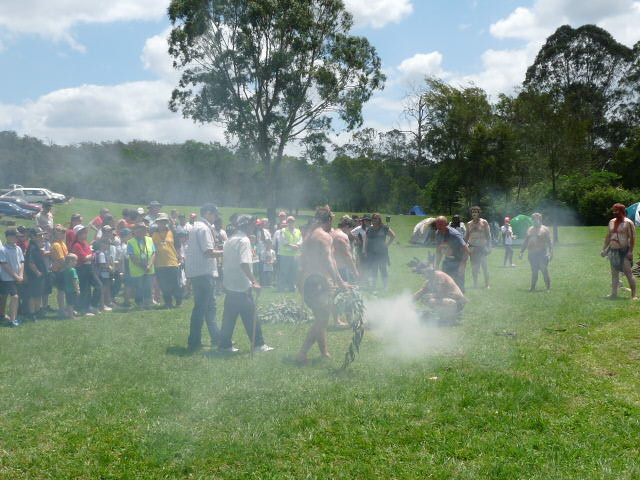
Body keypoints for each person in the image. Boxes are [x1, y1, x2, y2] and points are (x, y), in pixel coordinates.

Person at [295, 205, 348, 364]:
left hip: (308, 280)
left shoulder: (309, 236)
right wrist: (339, 282)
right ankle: (301, 354)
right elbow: (329, 261)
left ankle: (324, 352)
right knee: (322, 320)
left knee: (321, 317)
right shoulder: (324, 236)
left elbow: (301, 262)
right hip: (319, 281)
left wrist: (299, 283)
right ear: (329, 219)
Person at [218, 215, 274, 353]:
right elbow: (244, 263)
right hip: (242, 285)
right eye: (252, 225)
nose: (254, 227)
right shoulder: (244, 241)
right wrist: (254, 281)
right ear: (246, 226)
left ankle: (224, 345)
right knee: (251, 316)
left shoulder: (229, 240)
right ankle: (258, 345)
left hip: (230, 284)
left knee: (229, 318)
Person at [184, 203, 223, 350]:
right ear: (207, 212)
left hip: (200, 272)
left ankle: (216, 338)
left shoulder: (198, 226)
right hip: (203, 273)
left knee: (209, 308)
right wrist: (226, 251)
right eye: (215, 214)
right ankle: (193, 341)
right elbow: (208, 252)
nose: (216, 218)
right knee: (201, 308)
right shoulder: (203, 228)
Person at [412, 258, 467, 324]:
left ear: (429, 271)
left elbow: (442, 293)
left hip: (457, 302)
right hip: (450, 300)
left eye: (423, 273)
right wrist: (409, 301)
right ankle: (445, 317)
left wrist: (431, 295)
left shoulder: (439, 276)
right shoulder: (430, 280)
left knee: (431, 300)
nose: (423, 275)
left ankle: (450, 317)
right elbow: (420, 292)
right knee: (426, 299)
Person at [601, 203, 637, 300]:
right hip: (613, 251)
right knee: (614, 273)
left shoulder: (628, 223)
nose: (614, 213)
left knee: (628, 273)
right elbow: (608, 236)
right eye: (613, 211)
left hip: (624, 251)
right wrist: (604, 249)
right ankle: (614, 293)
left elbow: (632, 238)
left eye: (616, 211)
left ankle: (633, 295)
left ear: (622, 211)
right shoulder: (611, 222)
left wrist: (630, 251)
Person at [152, 213, 182, 308]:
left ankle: (178, 302)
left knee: (175, 284)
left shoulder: (173, 232)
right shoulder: (153, 234)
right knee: (164, 285)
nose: (163, 224)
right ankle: (168, 303)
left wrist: (179, 257)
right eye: (161, 222)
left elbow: (178, 246)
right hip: (159, 264)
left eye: (164, 222)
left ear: (166, 222)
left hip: (172, 262)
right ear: (157, 223)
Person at [71, 225, 102, 316]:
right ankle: (84, 309)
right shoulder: (76, 245)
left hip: (89, 268)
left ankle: (92, 306)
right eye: (82, 233)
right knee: (85, 290)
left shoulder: (85, 243)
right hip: (81, 269)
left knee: (98, 285)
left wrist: (89, 256)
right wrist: (89, 256)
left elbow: (90, 256)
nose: (84, 234)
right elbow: (85, 257)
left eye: (85, 232)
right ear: (77, 235)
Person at [519, 212, 553, 292]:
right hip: (532, 254)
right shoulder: (530, 229)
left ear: (540, 220)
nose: (534, 221)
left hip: (542, 253)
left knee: (544, 270)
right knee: (534, 271)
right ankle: (532, 288)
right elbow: (526, 241)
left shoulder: (545, 229)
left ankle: (548, 288)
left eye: (536, 219)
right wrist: (521, 252)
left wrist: (551, 252)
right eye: (533, 219)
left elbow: (549, 241)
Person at [435, 216, 469, 292]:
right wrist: (436, 264)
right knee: (444, 283)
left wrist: (462, 266)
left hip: (458, 261)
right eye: (437, 224)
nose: (438, 226)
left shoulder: (454, 235)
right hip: (447, 260)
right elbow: (438, 250)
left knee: (459, 287)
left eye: (440, 224)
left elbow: (466, 250)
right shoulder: (438, 233)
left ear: (446, 224)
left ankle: (460, 301)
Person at [127, 223, 155, 309]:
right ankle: (139, 303)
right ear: (135, 232)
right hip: (137, 269)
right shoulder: (130, 242)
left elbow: (154, 253)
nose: (142, 232)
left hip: (149, 268)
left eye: (144, 230)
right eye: (139, 230)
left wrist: (149, 265)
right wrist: (142, 266)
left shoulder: (150, 239)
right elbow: (132, 256)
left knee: (148, 286)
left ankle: (148, 302)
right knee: (139, 287)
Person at [0, 229, 24, 327]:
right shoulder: (3, 249)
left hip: (17, 277)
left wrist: (21, 275)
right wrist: (15, 276)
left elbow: (22, 261)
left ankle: (2, 315)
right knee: (15, 297)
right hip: (7, 278)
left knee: (4, 296)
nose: (17, 238)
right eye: (15, 236)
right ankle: (12, 320)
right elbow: (5, 265)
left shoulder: (18, 248)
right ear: (8, 237)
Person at [365, 213, 395, 290]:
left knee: (383, 269)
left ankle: (385, 286)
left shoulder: (384, 228)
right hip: (372, 253)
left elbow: (393, 236)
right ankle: (373, 286)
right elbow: (366, 240)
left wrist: (387, 245)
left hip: (382, 253)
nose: (374, 220)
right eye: (373, 218)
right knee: (373, 270)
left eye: (376, 218)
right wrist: (366, 250)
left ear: (379, 219)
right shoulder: (370, 229)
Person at [465, 206, 492, 289]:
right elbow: (466, 236)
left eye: (476, 212)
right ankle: (475, 284)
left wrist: (489, 246)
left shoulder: (484, 222)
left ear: (479, 213)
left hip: (482, 247)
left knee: (484, 266)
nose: (474, 213)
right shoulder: (469, 224)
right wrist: (464, 247)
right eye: (473, 212)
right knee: (474, 268)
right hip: (472, 248)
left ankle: (487, 285)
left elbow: (488, 235)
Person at [278, 216, 302, 292]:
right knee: (284, 272)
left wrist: (297, 245)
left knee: (294, 272)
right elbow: (282, 241)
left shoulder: (298, 231)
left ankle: (292, 288)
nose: (291, 223)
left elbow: (301, 239)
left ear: (294, 222)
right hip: (285, 255)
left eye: (292, 221)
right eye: (289, 221)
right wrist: (292, 246)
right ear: (287, 222)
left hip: (295, 255)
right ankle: (281, 288)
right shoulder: (283, 230)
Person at [50, 225, 69, 318]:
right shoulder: (56, 244)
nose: (63, 234)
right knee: (61, 291)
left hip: (63, 270)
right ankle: (61, 310)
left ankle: (63, 309)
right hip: (59, 270)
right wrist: (69, 267)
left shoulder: (62, 243)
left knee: (63, 291)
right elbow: (62, 260)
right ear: (55, 233)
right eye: (61, 231)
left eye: (64, 232)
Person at [61, 254, 81, 318]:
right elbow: (74, 280)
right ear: (70, 261)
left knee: (69, 302)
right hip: (72, 289)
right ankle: (71, 316)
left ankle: (70, 312)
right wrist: (77, 289)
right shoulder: (72, 270)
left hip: (67, 289)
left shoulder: (65, 269)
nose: (76, 262)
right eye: (75, 261)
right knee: (71, 303)